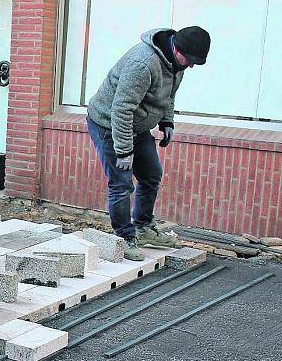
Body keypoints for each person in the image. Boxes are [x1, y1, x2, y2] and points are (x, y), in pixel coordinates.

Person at [86, 26, 210, 260]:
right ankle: (124, 237)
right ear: (177, 47)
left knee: (152, 174)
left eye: (195, 62)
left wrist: (167, 122)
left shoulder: (177, 63)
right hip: (108, 124)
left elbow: (168, 96)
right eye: (190, 60)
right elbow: (121, 109)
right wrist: (123, 151)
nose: (190, 65)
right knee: (122, 182)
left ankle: (143, 228)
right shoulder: (143, 64)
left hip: (138, 125)